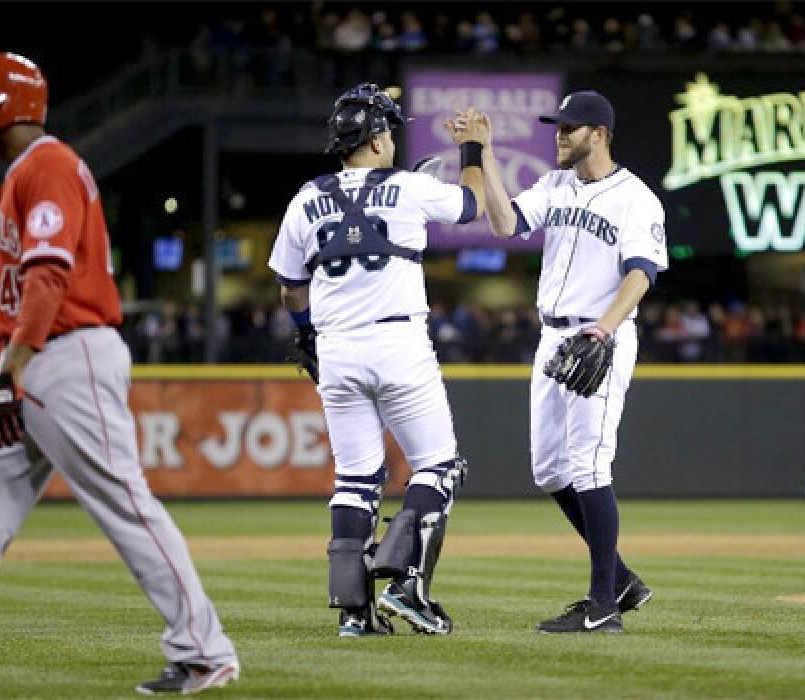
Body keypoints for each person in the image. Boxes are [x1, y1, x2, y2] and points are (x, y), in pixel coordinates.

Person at [0, 53, 238, 697]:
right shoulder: (27, 170)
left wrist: (15, 368)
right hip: (35, 356)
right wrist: (14, 366)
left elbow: (49, 274)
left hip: (66, 353)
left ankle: (204, 650)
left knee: (124, 503)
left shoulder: (49, 165)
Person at [267, 83, 484, 637]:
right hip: (398, 346)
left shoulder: (303, 199)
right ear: (379, 137)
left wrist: (305, 333)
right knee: (438, 465)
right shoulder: (409, 187)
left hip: (337, 349)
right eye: (390, 129)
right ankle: (408, 586)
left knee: (356, 481)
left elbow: (291, 291)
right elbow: (472, 204)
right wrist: (475, 151)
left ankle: (354, 614)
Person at [458, 90, 660, 633]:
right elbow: (504, 223)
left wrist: (606, 327)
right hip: (553, 339)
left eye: (569, 128)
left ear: (600, 134)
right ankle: (620, 580)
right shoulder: (554, 184)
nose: (559, 135)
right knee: (550, 469)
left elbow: (641, 273)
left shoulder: (635, 198)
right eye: (557, 127)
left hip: (600, 337)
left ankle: (604, 606)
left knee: (591, 466)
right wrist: (486, 152)